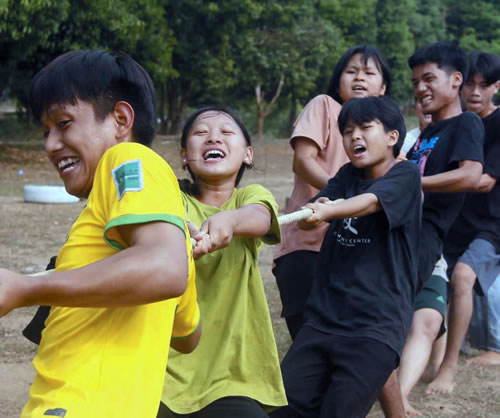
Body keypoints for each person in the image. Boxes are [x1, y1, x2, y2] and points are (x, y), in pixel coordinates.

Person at [0, 50, 201, 417]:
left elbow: (164, 270)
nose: (50, 144)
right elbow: (188, 336)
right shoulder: (160, 233)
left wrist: (23, 288)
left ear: (120, 120)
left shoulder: (127, 158)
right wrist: (175, 244)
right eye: (46, 132)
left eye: (63, 123)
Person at [269, 96, 422, 418]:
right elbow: (316, 210)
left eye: (365, 128)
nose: (354, 136)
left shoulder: (405, 174)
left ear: (393, 136)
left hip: (375, 327)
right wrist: (314, 211)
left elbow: (371, 202)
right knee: (282, 407)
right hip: (323, 320)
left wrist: (329, 210)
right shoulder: (347, 175)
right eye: (348, 131)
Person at [157, 106, 287, 418]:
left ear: (247, 154)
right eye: (201, 133)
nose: (213, 138)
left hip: (231, 378)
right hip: (162, 373)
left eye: (226, 132)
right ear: (184, 156)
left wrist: (228, 221)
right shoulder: (169, 198)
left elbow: (259, 217)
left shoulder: (249, 197)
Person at [272, 45, 391, 340]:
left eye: (369, 73)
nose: (359, 78)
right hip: (307, 246)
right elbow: (303, 161)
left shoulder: (388, 132)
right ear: (338, 82)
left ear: (383, 87)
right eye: (351, 71)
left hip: (360, 251)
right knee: (308, 335)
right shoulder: (324, 106)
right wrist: (341, 197)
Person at [396, 41, 485, 416]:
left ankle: (395, 395)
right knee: (399, 312)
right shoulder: (428, 132)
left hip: (426, 236)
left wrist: (413, 183)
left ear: (456, 79)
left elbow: (472, 174)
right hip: (402, 232)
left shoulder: (467, 123)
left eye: (429, 78)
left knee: (400, 312)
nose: (420, 88)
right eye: (416, 81)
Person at [426, 51, 500, 393]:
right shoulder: (453, 123)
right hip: (453, 220)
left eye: (484, 85)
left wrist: (422, 183)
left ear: (496, 87)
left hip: (491, 224)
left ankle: (449, 368)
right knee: (438, 286)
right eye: (470, 83)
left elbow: (482, 181)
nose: (475, 91)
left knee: (463, 276)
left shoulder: (497, 124)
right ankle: (432, 359)